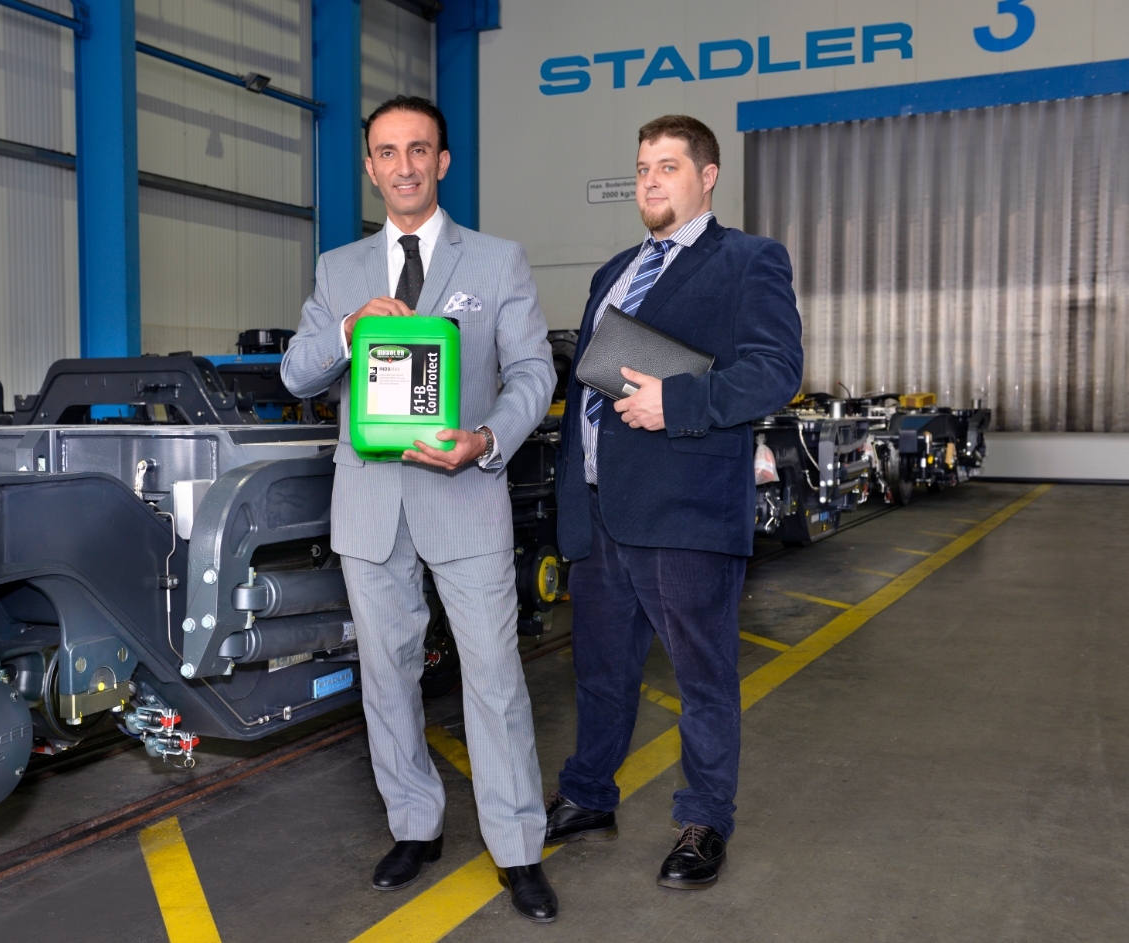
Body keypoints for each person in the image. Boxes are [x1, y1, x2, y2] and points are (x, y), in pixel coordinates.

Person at [281, 96, 559, 922]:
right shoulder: (338, 269)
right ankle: (414, 823)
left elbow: (533, 372)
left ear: (442, 161)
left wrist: (486, 438)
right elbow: (297, 374)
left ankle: (517, 846)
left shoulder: (497, 261)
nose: (402, 165)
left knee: (495, 678)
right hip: (370, 504)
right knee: (386, 678)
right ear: (370, 167)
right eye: (386, 151)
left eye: (418, 149)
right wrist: (346, 329)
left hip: (464, 495)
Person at [544, 115, 804, 888]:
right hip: (598, 504)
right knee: (600, 668)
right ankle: (588, 794)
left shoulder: (749, 260)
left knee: (700, 676)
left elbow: (775, 370)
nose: (650, 181)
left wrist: (677, 400)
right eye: (641, 168)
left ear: (707, 175)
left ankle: (703, 818)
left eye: (667, 166)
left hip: (684, 507)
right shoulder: (613, 271)